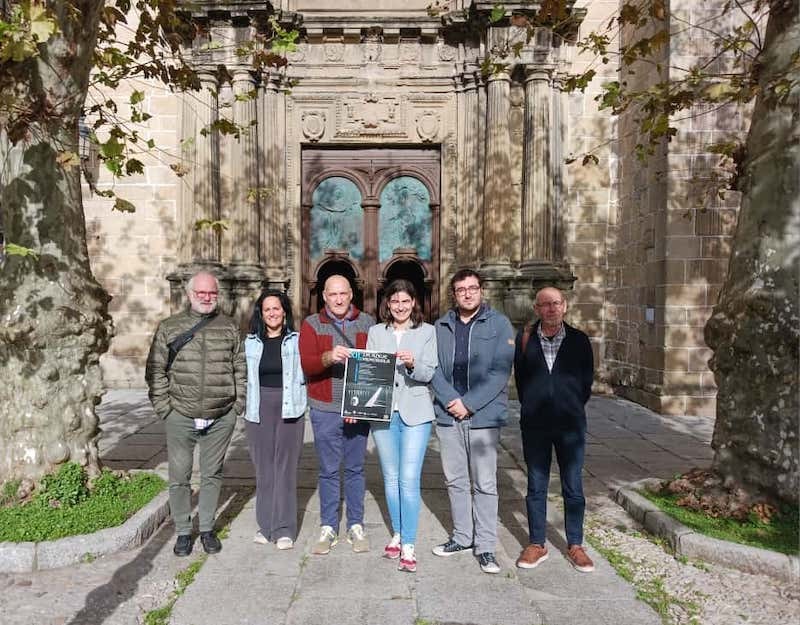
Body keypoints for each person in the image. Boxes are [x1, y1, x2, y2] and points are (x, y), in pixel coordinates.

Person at [145, 271, 245, 557]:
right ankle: (182, 531)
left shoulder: (229, 327)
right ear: (189, 294)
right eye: (200, 292)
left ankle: (207, 528)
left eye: (211, 293)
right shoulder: (170, 327)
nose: (206, 297)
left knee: (212, 473)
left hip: (221, 414)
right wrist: (165, 409)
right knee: (179, 475)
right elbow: (155, 370)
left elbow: (240, 367)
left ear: (218, 294)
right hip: (181, 414)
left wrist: (237, 406)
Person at [430, 269, 515, 574]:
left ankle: (487, 547)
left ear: (481, 290)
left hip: (483, 416)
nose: (467, 293)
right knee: (455, 480)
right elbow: (433, 368)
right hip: (448, 414)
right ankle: (463, 537)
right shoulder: (440, 325)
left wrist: (469, 404)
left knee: (485, 483)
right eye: (460, 289)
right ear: (453, 294)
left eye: (472, 288)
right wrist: (452, 401)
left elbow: (499, 373)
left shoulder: (500, 324)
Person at [513, 286, 595, 573]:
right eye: (544, 304)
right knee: (536, 485)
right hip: (535, 424)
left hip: (570, 425)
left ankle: (575, 544)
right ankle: (537, 543)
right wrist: (537, 404)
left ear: (565, 306)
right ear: (536, 309)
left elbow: (586, 383)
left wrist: (567, 406)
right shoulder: (525, 339)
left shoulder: (580, 341)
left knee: (573, 486)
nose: (550, 309)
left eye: (555, 303)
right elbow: (522, 382)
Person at [299, 274, 375, 555]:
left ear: (351, 295)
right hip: (325, 407)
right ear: (324, 297)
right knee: (329, 470)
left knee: (355, 468)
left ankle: (356, 524)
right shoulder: (312, 324)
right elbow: (306, 363)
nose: (339, 299)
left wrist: (360, 405)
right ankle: (329, 525)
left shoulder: (367, 323)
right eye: (333, 295)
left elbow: (374, 366)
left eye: (343, 294)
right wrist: (328, 357)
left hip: (357, 407)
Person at [367, 279, 438, 573]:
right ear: (387, 304)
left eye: (405, 301)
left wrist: (412, 365)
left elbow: (429, 372)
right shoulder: (375, 332)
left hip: (416, 413)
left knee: (409, 479)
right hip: (383, 413)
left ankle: (408, 543)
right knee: (391, 477)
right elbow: (369, 372)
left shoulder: (427, 332)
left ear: (414, 303)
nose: (399, 306)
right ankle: (396, 533)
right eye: (394, 301)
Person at [244, 289, 307, 550]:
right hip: (257, 408)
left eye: (277, 308)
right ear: (261, 313)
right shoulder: (249, 342)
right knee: (264, 468)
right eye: (267, 309)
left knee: (285, 468)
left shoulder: (297, 340)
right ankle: (265, 525)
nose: (272, 313)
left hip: (289, 407)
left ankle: (284, 528)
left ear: (284, 312)